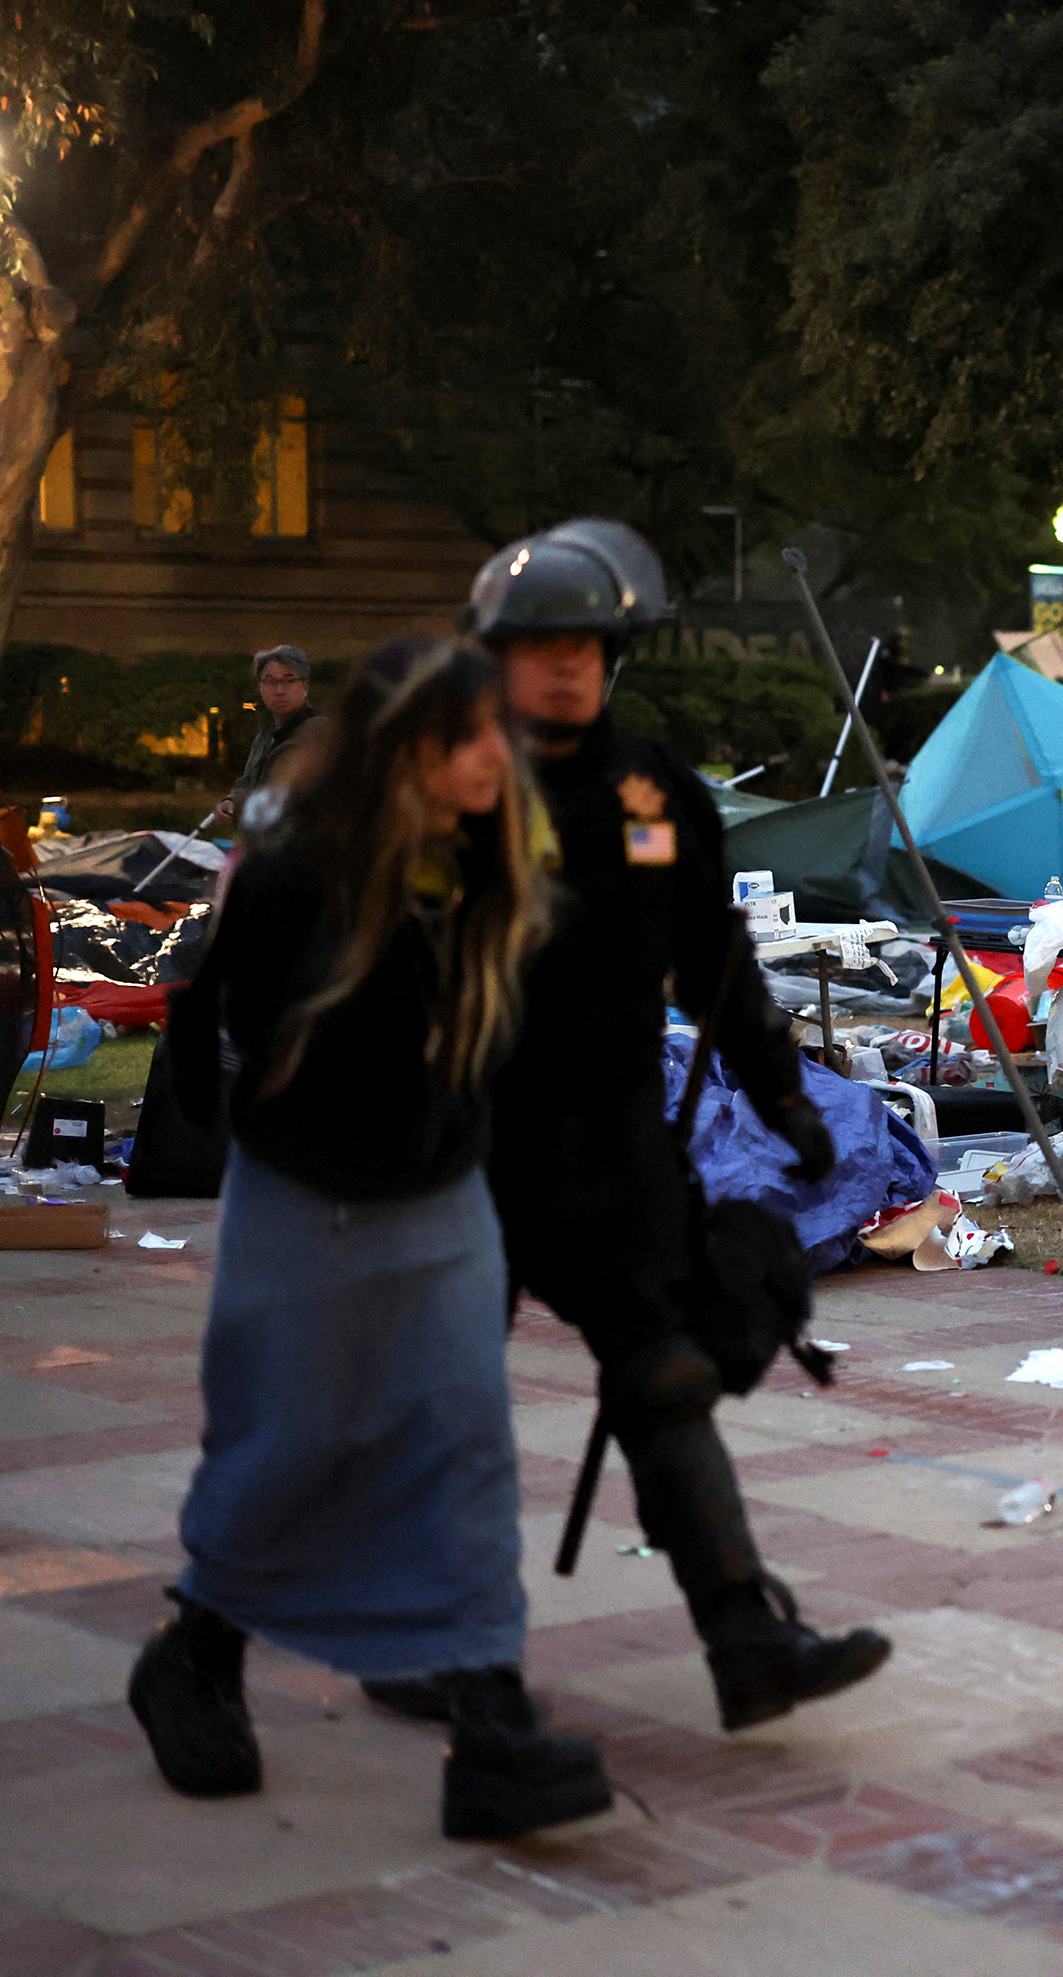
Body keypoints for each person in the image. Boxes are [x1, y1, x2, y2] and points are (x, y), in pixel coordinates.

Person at [138, 636, 610, 1840]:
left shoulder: (497, 854)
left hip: (443, 1189)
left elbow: (518, 1028)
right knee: (293, 1440)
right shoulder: (299, 868)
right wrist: (235, 1119)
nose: (498, 757)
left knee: (463, 1440)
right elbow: (204, 1005)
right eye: (472, 739)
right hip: (306, 1191)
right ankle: (194, 1656)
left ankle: (490, 1725)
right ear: (409, 751)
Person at [423, 518, 885, 1734]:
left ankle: (746, 1638)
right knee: (431, 1403)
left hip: (611, 1150)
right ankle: (409, 1655)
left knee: (666, 1375)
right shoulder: (456, 785)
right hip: (462, 1147)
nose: (566, 665)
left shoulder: (659, 793)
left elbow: (715, 963)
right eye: (539, 645)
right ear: (497, 655)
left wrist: (784, 1095)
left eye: (587, 642)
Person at [214, 645, 324, 824]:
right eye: (270, 681)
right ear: (261, 687)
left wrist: (241, 806)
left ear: (305, 686)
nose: (279, 690)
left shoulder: (316, 732)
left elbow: (284, 795)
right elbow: (248, 782)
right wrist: (230, 801)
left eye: (289, 680)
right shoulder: (265, 735)